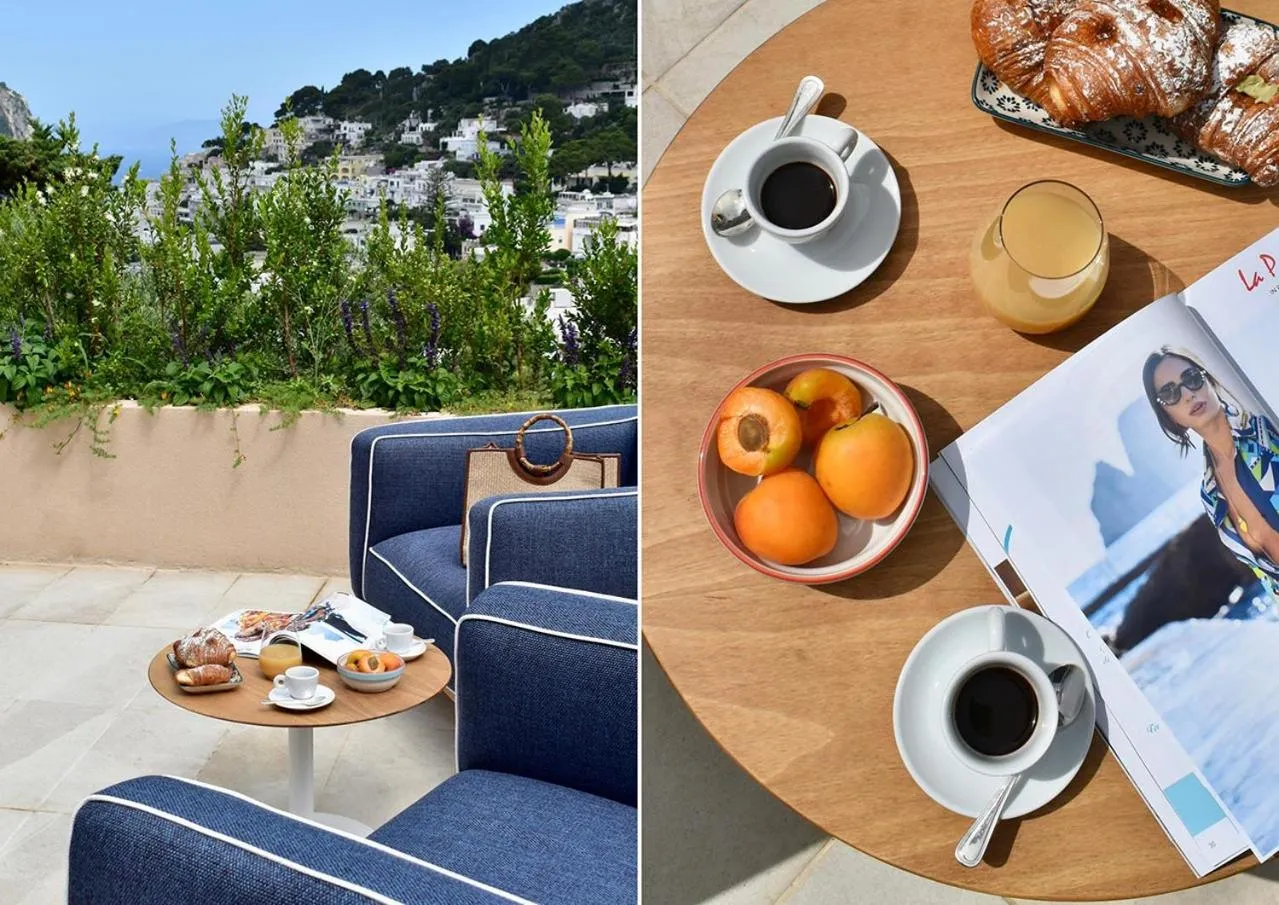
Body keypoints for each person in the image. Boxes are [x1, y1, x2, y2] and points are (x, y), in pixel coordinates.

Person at [1143, 347, 1279, 598]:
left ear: (1209, 380)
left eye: (1192, 378)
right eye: (1170, 393)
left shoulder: (1266, 429)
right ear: (1170, 417)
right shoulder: (1210, 495)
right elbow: (1265, 574)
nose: (1187, 394)